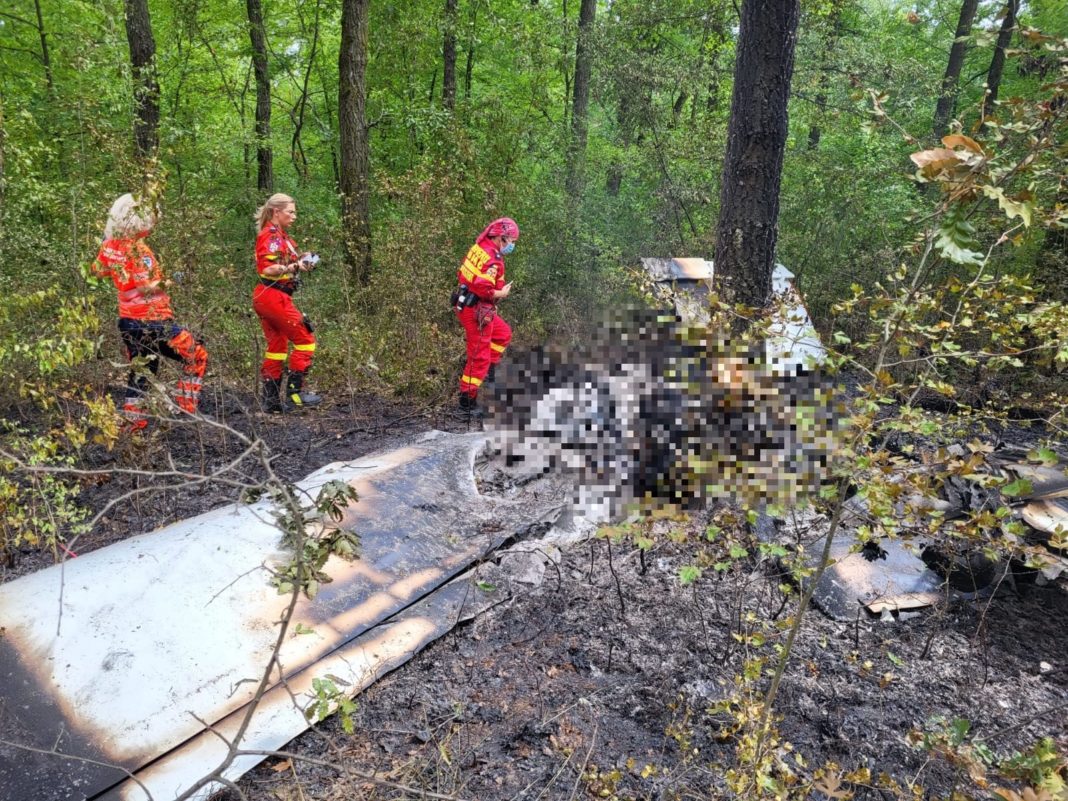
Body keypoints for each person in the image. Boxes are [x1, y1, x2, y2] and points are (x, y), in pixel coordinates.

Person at [91, 193, 208, 432]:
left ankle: (133, 424)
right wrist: (170, 281)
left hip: (128, 321)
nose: (155, 222)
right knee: (196, 355)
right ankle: (185, 408)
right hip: (153, 321)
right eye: (152, 217)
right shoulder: (139, 250)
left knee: (142, 370)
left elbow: (97, 271)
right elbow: (145, 288)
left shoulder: (110, 245)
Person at [252, 193, 322, 413]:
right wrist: (294, 267)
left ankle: (271, 402)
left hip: (270, 296)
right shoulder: (270, 236)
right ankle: (295, 394)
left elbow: (286, 260)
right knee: (306, 339)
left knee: (277, 347)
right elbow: (268, 269)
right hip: (273, 296)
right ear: (276, 212)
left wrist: (303, 258)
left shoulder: (281, 236)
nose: (294, 216)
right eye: (290, 212)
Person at [453, 217, 519, 416]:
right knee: (478, 355)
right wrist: (502, 293)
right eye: (512, 241)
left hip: (470, 303)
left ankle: (489, 373)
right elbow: (485, 289)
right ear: (501, 238)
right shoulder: (493, 259)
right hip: (475, 309)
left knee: (502, 334)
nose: (513, 245)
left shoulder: (481, 246)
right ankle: (467, 401)